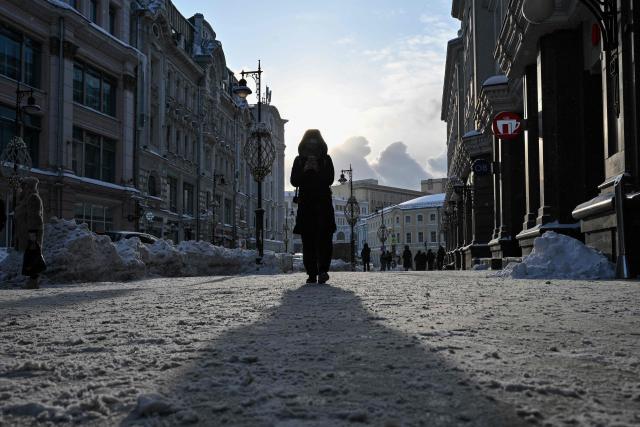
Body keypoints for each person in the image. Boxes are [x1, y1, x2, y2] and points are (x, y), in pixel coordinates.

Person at [290, 129, 336, 284]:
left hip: (323, 205)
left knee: (324, 239)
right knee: (308, 240)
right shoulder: (299, 160)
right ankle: (311, 272)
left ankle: (322, 270)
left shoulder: (326, 159)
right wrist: (305, 170)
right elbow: (294, 181)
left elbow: (329, 179)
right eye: (309, 143)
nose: (312, 146)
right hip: (307, 205)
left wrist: (317, 169)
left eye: (315, 143)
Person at [16, 177, 45, 289]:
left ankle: (33, 282)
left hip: (31, 233)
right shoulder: (26, 198)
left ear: (29, 186)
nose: (22, 188)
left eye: (24, 186)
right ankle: (32, 281)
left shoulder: (33, 198)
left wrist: (32, 234)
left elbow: (35, 217)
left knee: (33, 257)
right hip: (28, 233)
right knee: (31, 257)